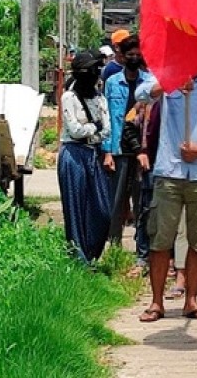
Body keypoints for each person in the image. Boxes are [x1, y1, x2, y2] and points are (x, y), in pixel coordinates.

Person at [136, 64, 197, 323]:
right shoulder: (164, 76)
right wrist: (169, 82)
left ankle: (191, 300)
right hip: (168, 170)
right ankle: (156, 302)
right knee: (160, 239)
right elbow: (142, 94)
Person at [58, 51, 112, 264]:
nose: (93, 74)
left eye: (95, 70)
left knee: (102, 209)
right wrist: (94, 127)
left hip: (93, 154)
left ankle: (93, 251)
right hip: (73, 154)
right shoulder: (69, 98)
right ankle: (79, 258)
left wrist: (91, 129)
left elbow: (107, 130)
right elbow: (74, 131)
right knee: (75, 207)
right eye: (88, 70)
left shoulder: (100, 99)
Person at [102, 35, 149, 255]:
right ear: (122, 56)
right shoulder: (112, 82)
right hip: (119, 148)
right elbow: (107, 117)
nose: (134, 59)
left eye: (138, 55)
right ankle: (114, 245)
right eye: (130, 55)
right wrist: (107, 151)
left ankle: (142, 247)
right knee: (116, 198)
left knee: (142, 199)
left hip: (143, 149)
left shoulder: (149, 82)